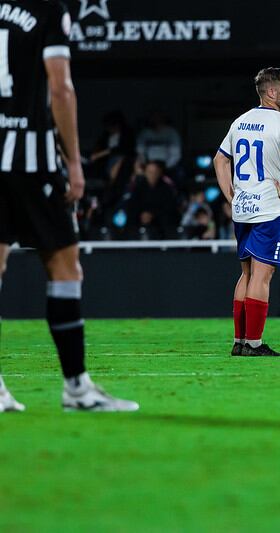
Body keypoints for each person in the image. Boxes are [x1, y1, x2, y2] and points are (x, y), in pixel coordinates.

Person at [0, 0, 138, 412]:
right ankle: (77, 388)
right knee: (64, 267)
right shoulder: (47, 10)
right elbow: (60, 87)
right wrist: (74, 161)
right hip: (32, 163)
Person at [213, 67, 280, 357]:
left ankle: (240, 342)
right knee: (262, 277)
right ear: (272, 92)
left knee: (246, 274)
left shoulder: (241, 121)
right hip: (269, 208)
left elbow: (220, 160)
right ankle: (253, 343)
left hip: (243, 208)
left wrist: (230, 195)